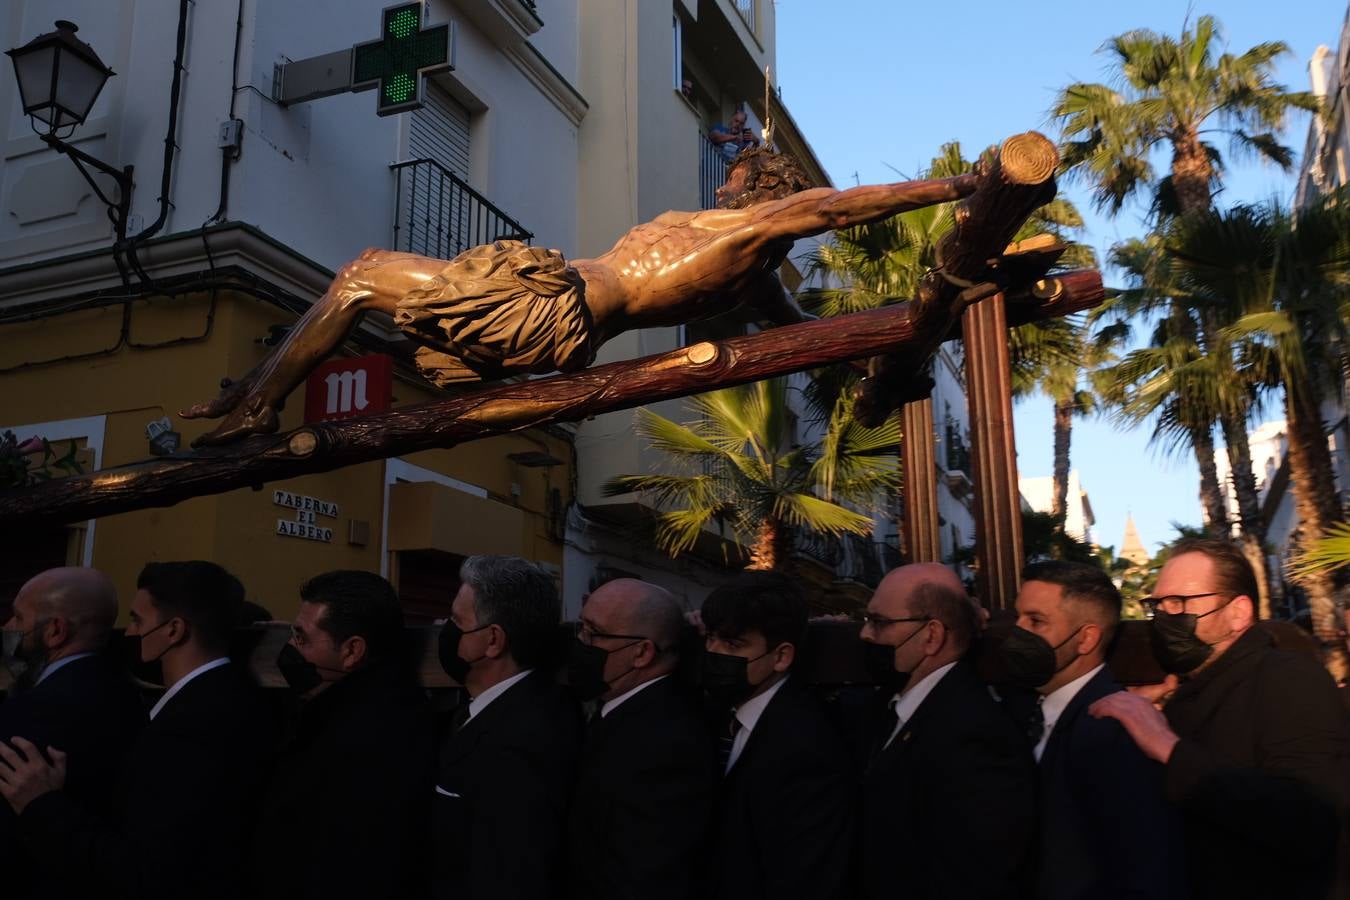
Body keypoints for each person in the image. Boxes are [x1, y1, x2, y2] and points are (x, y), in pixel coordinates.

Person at [181, 147, 975, 445]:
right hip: (548, 309)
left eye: (733, 175)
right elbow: (803, 337)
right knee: (362, 285)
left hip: (549, 310)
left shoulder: (754, 234)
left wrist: (962, 184)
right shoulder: (748, 263)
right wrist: (870, 370)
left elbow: (839, 207)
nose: (722, 178)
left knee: (360, 276)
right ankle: (254, 391)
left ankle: (258, 401)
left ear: (759, 191)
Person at [1091, 537, 1350, 900]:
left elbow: (1311, 821)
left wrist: (1167, 746)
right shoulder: (1188, 691)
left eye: (1180, 603)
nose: (1165, 617)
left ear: (1238, 613)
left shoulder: (1287, 677)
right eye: (1158, 605)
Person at [0, 561, 276, 900]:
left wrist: (42, 804)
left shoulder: (196, 725)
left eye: (137, 620)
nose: (128, 633)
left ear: (174, 630)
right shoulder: (195, 701)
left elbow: (148, 867)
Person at [250, 570, 435, 899]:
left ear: (352, 650)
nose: (290, 647)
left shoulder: (369, 738)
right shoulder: (347, 711)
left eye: (302, 637)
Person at [857, 563, 1034, 900]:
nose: (864, 634)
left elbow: (974, 876)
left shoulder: (978, 736)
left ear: (932, 635)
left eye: (879, 622)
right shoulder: (893, 706)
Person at [1009, 561, 1182, 900]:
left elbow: (1142, 871)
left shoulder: (1116, 734)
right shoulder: (1025, 711)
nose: (1018, 632)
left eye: (1036, 621)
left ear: (1086, 638)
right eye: (1018, 617)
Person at [432, 555, 582, 900]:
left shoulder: (524, 742)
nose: (444, 626)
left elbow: (508, 874)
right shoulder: (497, 710)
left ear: (493, 641)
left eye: (456, 620)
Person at [701, 570, 852, 900]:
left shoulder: (806, 748)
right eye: (710, 637)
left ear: (781, 656)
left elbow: (804, 876)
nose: (713, 652)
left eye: (733, 644)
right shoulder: (715, 718)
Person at [0, 567, 146, 900]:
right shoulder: (124, 693)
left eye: (18, 618)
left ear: (55, 631)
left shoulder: (34, 710)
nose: (9, 627)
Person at [565, 578, 716, 900]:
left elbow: (644, 875)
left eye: (594, 634)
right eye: (581, 628)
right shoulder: (618, 710)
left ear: (642, 652)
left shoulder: (667, 744)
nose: (581, 642)